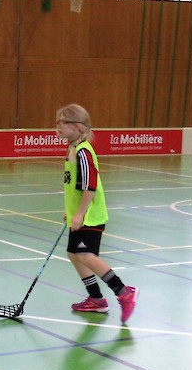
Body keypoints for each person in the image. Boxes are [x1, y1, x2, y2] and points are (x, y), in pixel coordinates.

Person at [55, 104, 138, 323]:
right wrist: (71, 211)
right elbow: (74, 186)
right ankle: (96, 299)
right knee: (74, 254)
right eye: (57, 122)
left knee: (85, 255)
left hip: (91, 216)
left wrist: (79, 214)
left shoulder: (83, 152)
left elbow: (89, 187)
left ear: (77, 126)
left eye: (63, 122)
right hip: (81, 214)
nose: (58, 127)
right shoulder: (73, 149)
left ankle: (124, 292)